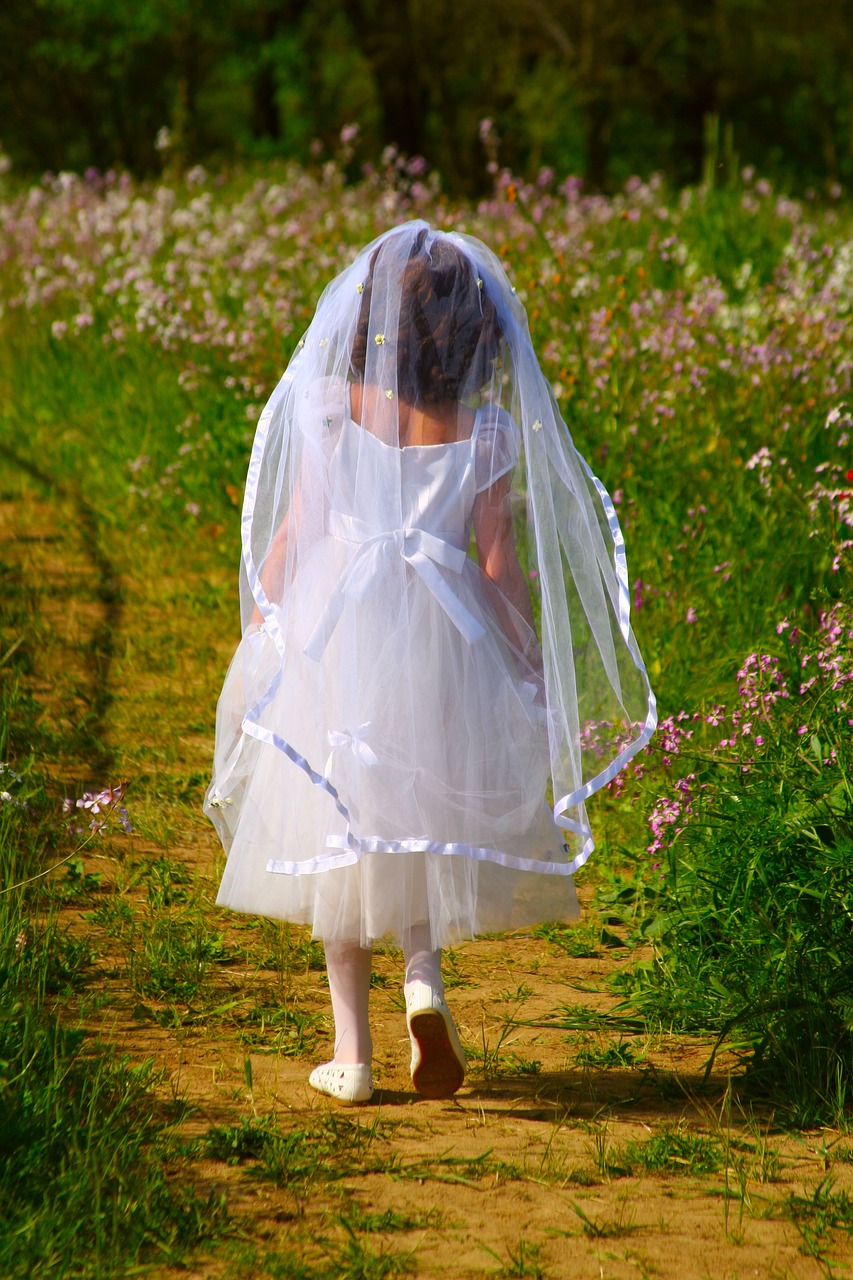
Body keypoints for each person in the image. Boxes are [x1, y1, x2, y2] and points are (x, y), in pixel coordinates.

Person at [205, 222, 656, 1104]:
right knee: (415, 813)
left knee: (339, 827)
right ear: (480, 336)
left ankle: (353, 1056)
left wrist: (263, 619)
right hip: (443, 642)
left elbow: (296, 532)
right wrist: (524, 660)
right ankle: (423, 985)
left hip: (342, 632)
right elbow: (497, 565)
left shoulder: (330, 408)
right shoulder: (485, 431)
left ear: (373, 326)